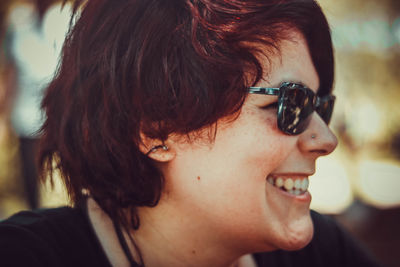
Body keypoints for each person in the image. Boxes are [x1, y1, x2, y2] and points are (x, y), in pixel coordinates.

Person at [0, 0, 381, 266]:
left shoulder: (323, 252)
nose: (326, 139)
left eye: (320, 106)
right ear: (155, 128)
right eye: (289, 104)